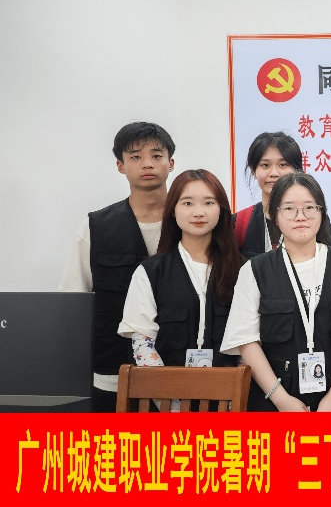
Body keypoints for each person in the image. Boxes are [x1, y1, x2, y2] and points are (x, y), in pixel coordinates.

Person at [221, 172, 331, 412]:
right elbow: (246, 340)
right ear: (274, 215)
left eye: (309, 207)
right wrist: (281, 400)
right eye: (289, 208)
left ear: (322, 212)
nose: (300, 216)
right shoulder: (255, 270)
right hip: (274, 401)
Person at [59, 122, 176, 412]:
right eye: (135, 156)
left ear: (171, 163)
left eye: (156, 155)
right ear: (120, 166)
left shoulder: (192, 221)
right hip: (112, 370)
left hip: (182, 370)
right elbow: (73, 302)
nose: (147, 163)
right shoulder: (96, 226)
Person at [118, 170, 243, 371]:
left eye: (208, 203)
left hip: (229, 389)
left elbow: (248, 345)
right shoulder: (150, 272)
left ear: (221, 210)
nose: (198, 212)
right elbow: (142, 343)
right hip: (166, 389)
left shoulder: (243, 270)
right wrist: (171, 391)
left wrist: (232, 391)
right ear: (173, 210)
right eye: (187, 203)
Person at [233, 132, 304, 259]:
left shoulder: (312, 218)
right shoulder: (238, 223)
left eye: (283, 165)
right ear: (254, 171)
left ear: (296, 170)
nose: (274, 173)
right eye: (265, 165)